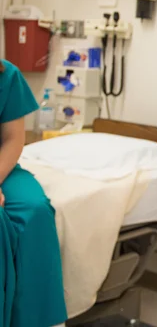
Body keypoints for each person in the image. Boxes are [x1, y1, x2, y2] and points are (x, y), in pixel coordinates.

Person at [0, 59, 67, 326]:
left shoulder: (7, 75)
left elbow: (13, 139)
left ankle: (37, 320)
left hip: (2, 165)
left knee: (35, 210)